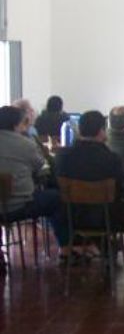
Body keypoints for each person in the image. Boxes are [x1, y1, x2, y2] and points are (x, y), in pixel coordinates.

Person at [55, 111, 124, 263]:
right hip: (107, 217)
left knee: (102, 210)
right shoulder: (111, 158)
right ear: (102, 131)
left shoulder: (62, 156)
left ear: (79, 130)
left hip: (72, 216)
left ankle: (107, 248)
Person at [0, 106, 68, 261]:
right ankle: (66, 249)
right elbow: (40, 166)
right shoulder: (25, 144)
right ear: (17, 124)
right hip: (18, 206)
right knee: (57, 198)